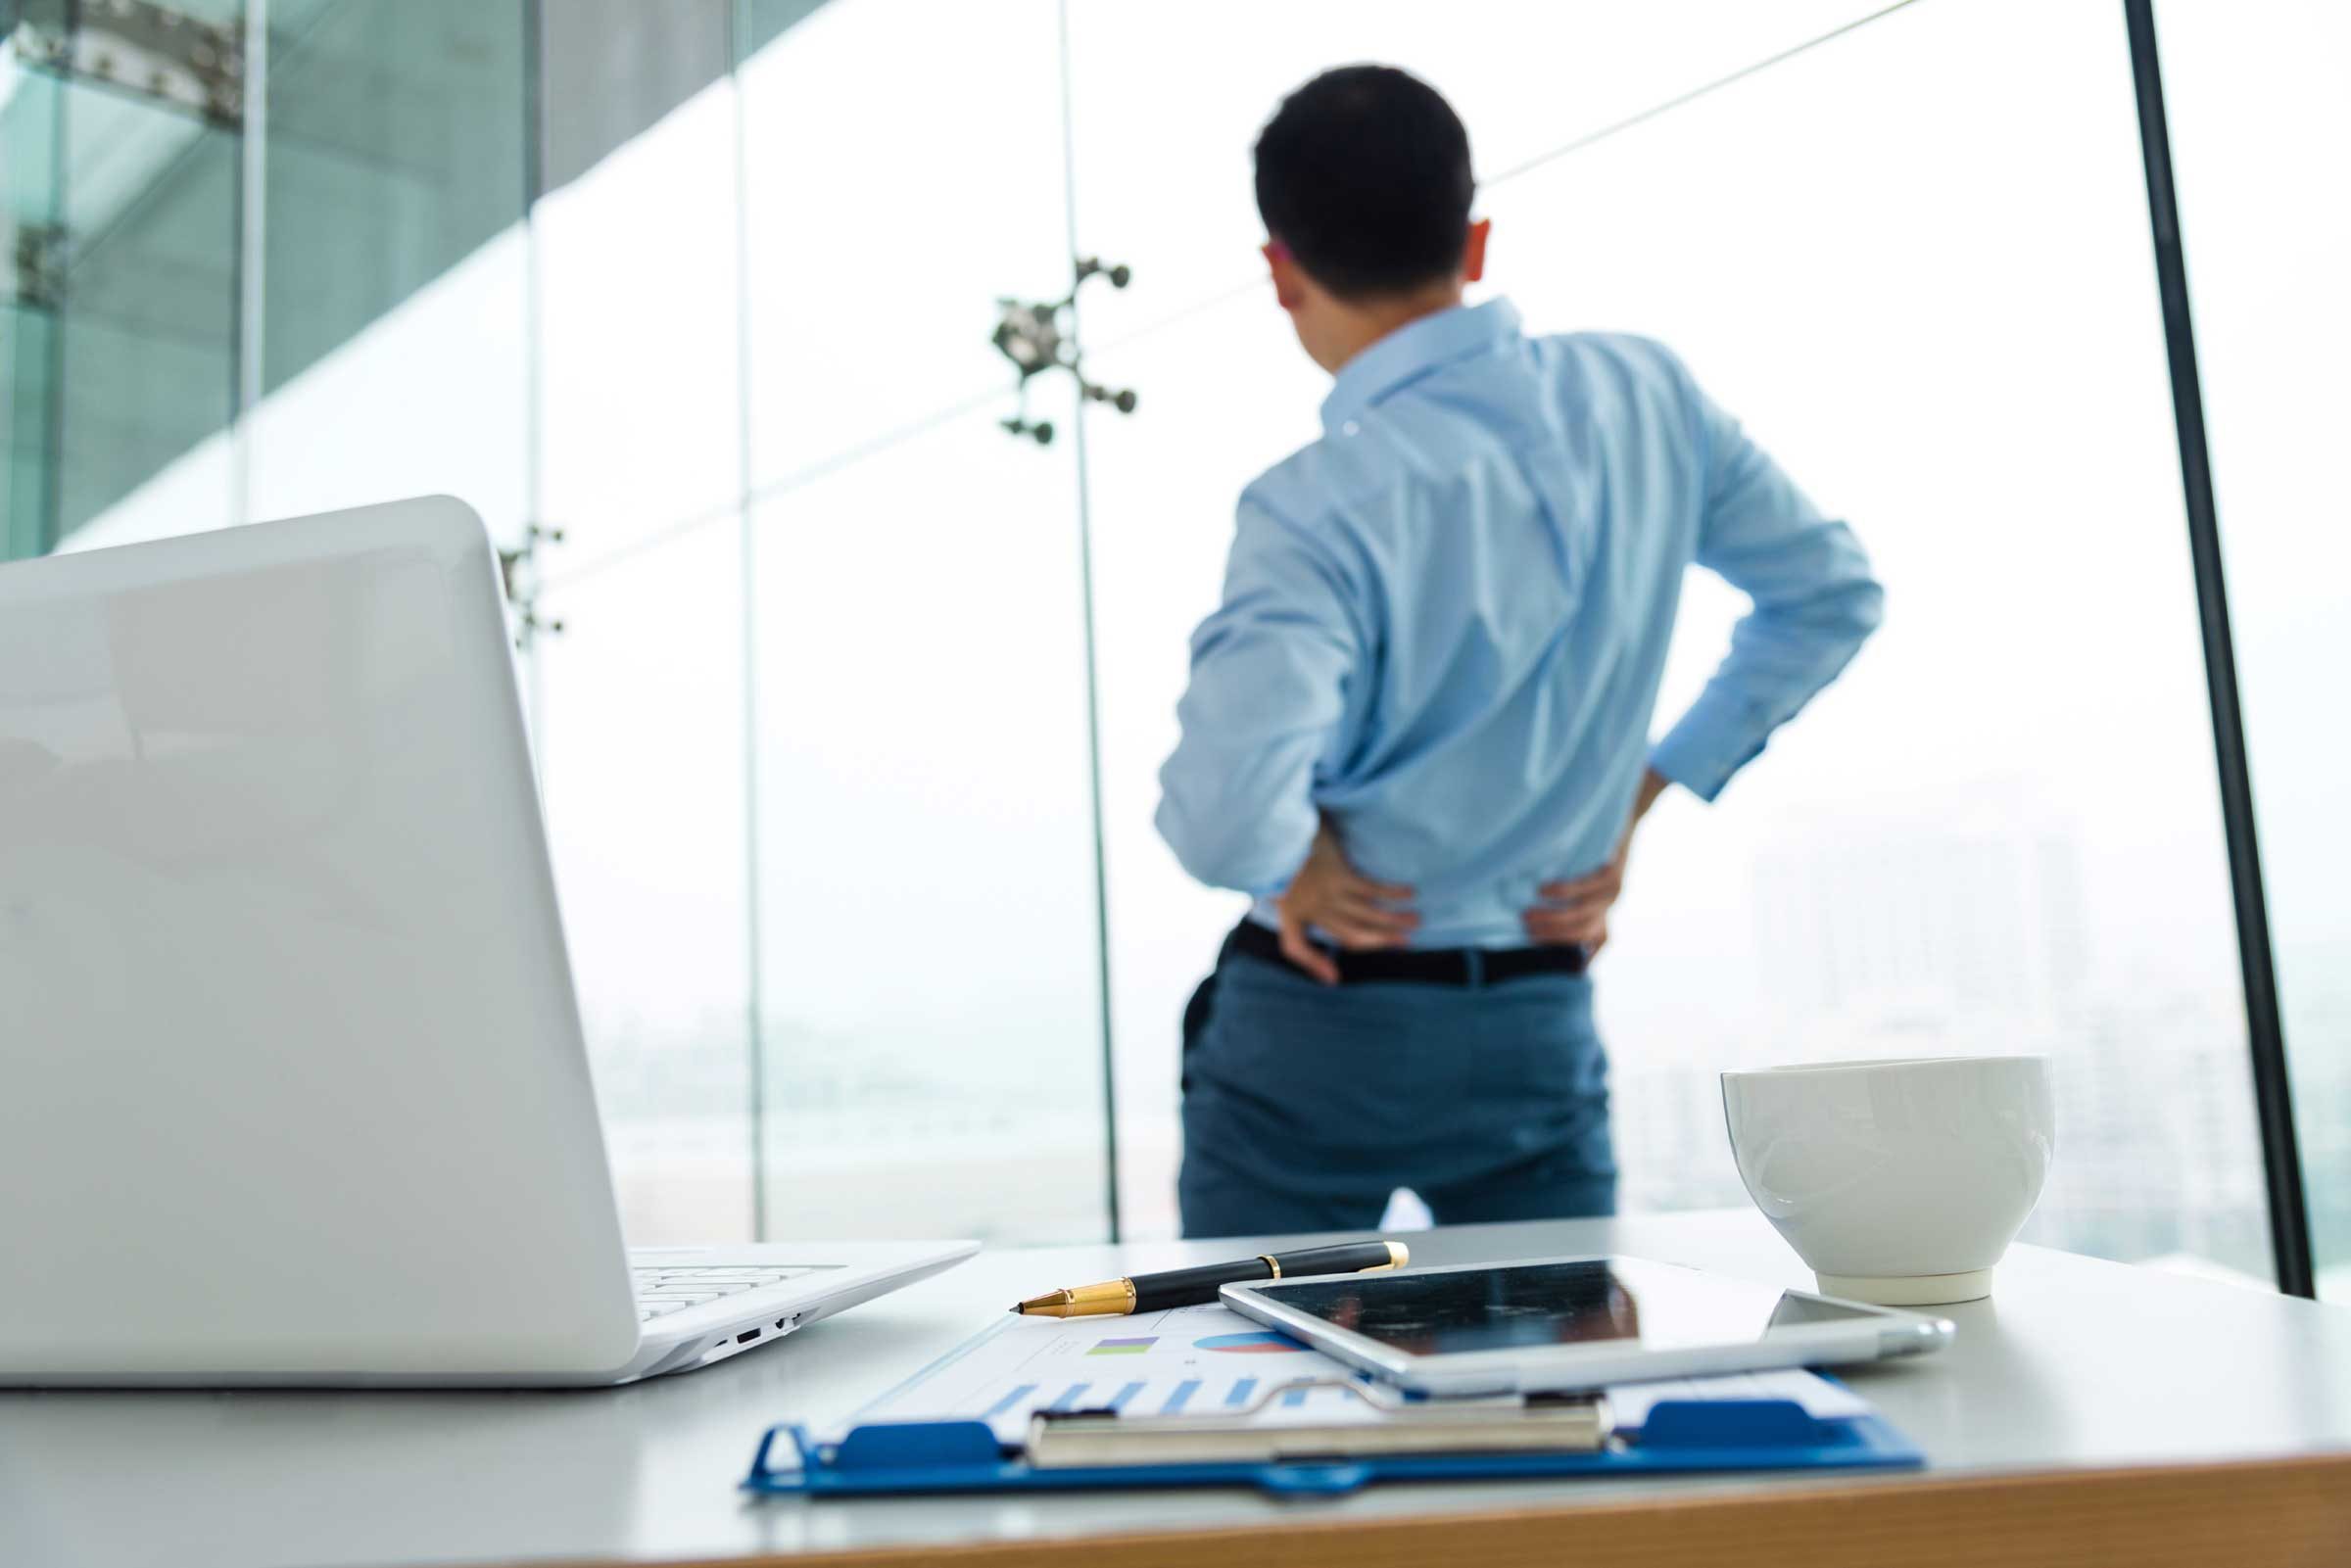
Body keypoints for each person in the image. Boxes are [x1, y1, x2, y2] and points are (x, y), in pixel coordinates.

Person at [1156, 65, 1885, 1239]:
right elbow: (1829, 594)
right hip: (1535, 1018)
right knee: (1559, 1397)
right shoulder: (1648, 394)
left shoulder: (1311, 505)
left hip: (1324, 1020)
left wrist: (1292, 860)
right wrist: (1639, 793)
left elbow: (1217, 819)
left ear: (1280, 273)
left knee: (1267, 1390)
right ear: (1475, 240)